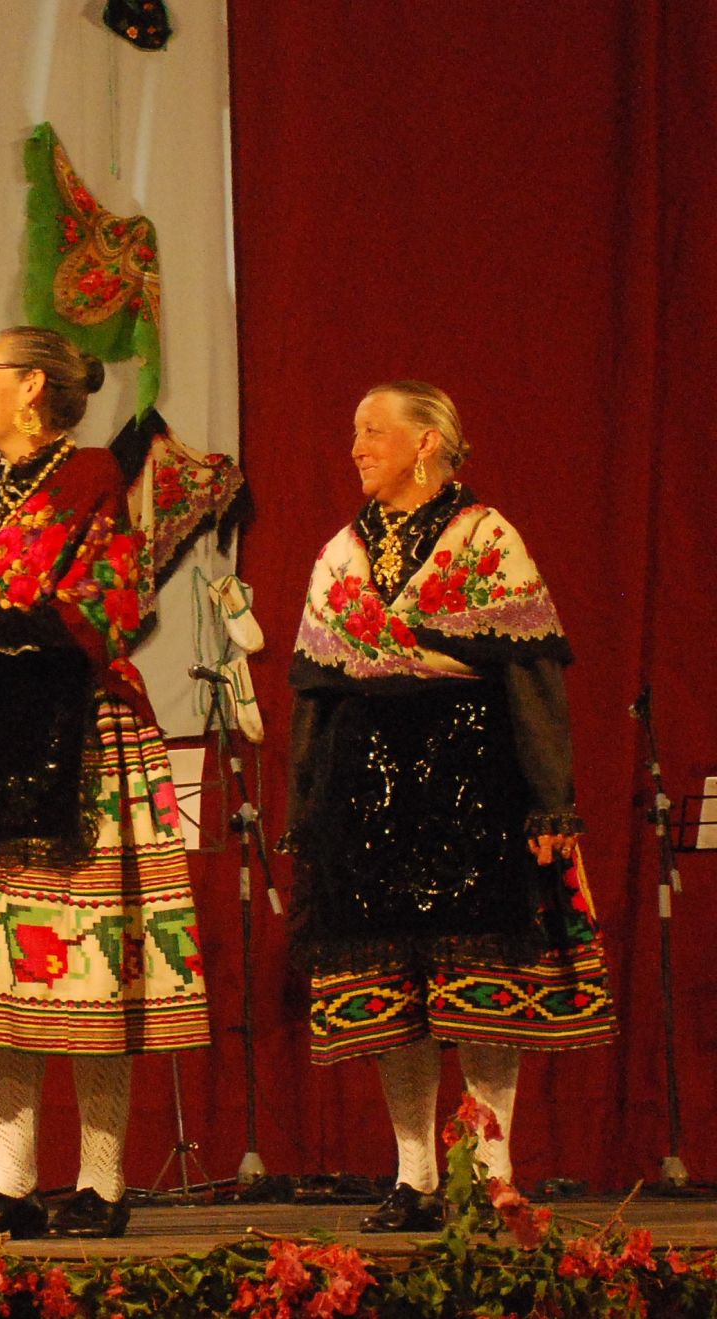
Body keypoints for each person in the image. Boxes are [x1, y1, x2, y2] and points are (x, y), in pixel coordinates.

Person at [0, 326, 210, 1240]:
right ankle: (8, 1178)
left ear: (35, 389)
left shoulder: (93, 481)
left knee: (88, 975)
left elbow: (107, 611)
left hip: (78, 743)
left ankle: (102, 1183)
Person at [284, 381, 617, 1232]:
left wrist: (550, 803)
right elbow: (316, 696)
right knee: (397, 987)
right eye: (353, 431)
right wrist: (309, 807)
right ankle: (415, 1175)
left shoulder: (487, 539)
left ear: (427, 441)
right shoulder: (340, 554)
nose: (355, 446)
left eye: (372, 431)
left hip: (474, 780)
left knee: (480, 985)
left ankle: (491, 1170)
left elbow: (534, 677)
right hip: (369, 790)